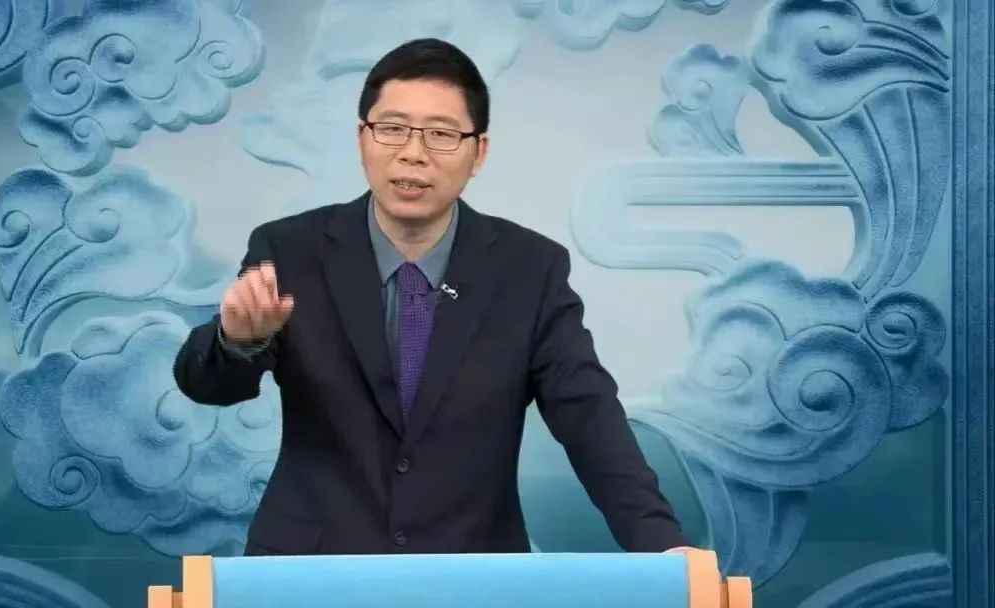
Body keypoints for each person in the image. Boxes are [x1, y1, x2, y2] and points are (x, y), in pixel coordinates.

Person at [173, 38, 691, 556]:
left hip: (469, 573)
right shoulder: (289, 250)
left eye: (441, 134)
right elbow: (208, 386)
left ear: (478, 153)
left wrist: (661, 545)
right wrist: (236, 341)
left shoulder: (529, 269)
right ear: (362, 138)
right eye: (392, 128)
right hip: (312, 569)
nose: (413, 153)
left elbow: (588, 415)